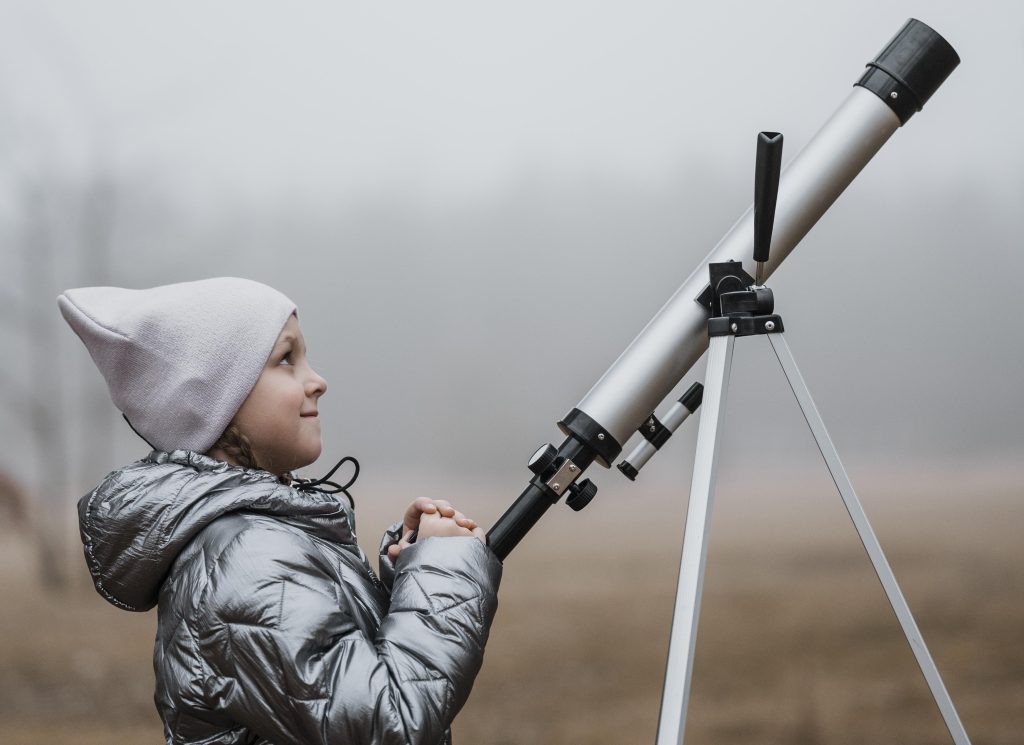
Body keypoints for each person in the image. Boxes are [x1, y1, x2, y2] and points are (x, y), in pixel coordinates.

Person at [57, 276, 502, 745]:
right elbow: (383, 725)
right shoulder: (245, 560)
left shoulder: (256, 541)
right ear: (215, 404)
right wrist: (442, 572)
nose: (318, 381)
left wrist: (409, 576)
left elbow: (337, 684)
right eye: (286, 359)